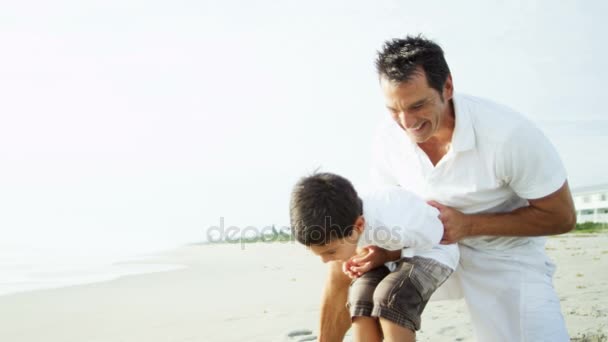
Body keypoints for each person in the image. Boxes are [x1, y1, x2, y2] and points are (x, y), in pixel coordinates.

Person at [355, 35, 574, 341]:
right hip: (426, 248)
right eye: (394, 109)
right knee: (349, 272)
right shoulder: (387, 137)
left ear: (447, 87)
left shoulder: (508, 134)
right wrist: (380, 249)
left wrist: (469, 224)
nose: (406, 122)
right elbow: (385, 210)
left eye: (418, 105)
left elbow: (562, 217)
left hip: (504, 255)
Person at [290, 172, 459, 342]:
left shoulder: (392, 223)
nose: (326, 260)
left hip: (434, 250)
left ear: (359, 225)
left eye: (331, 252)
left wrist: (386, 254)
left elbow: (437, 234)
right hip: (391, 252)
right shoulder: (346, 217)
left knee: (391, 298)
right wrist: (373, 255)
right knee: (361, 297)